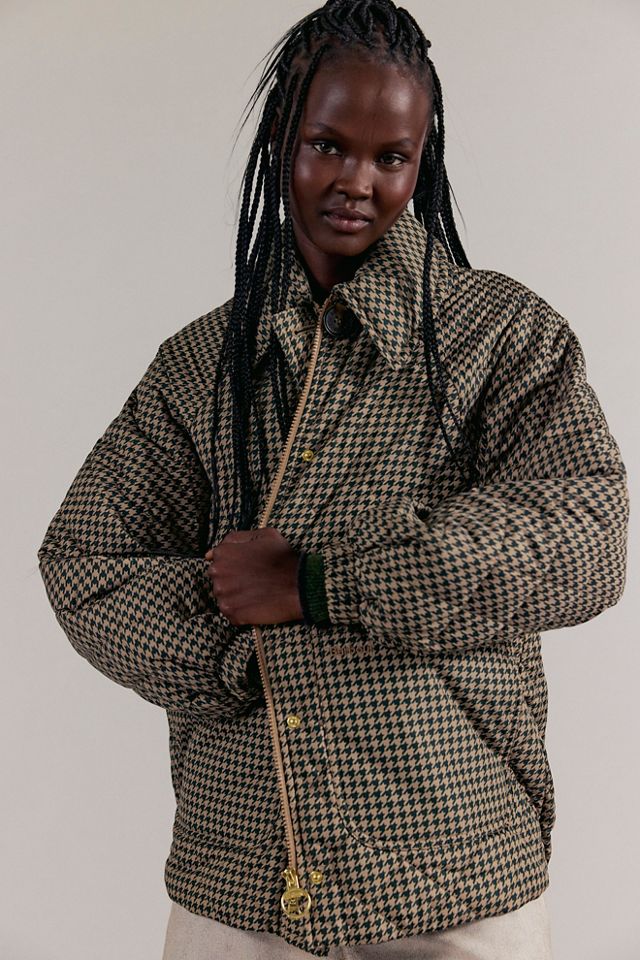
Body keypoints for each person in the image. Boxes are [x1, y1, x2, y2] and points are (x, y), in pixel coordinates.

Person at [37, 1, 630, 958]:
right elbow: (84, 562)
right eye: (328, 145)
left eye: (392, 157)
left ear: (423, 160)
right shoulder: (200, 366)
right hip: (243, 880)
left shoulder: (501, 335)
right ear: (283, 135)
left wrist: (320, 584)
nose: (358, 181)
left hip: (457, 871)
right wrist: (242, 654)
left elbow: (585, 540)